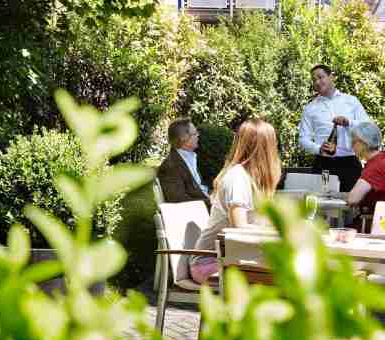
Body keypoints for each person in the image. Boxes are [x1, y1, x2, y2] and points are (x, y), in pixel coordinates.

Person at [189, 119, 282, 284]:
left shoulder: (252, 178)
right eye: (272, 143)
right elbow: (239, 228)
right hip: (211, 264)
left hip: (232, 258)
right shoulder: (237, 178)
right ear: (265, 148)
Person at [299, 64, 370, 192]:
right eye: (314, 80)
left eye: (320, 77)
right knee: (323, 203)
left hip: (350, 163)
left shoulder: (351, 101)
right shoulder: (310, 108)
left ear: (332, 77)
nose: (317, 82)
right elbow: (303, 138)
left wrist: (349, 122)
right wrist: (318, 149)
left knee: (353, 203)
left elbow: (368, 127)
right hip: (323, 165)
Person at [158, 118, 211, 209]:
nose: (198, 135)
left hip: (206, 201)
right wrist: (211, 202)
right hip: (199, 213)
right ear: (183, 139)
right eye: (194, 133)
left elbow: (197, 186)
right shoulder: (171, 167)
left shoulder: (189, 157)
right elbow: (179, 201)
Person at [347, 121, 385, 214]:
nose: (351, 145)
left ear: (364, 143)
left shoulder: (375, 166)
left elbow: (353, 199)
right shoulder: (381, 158)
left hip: (376, 224)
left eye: (354, 141)